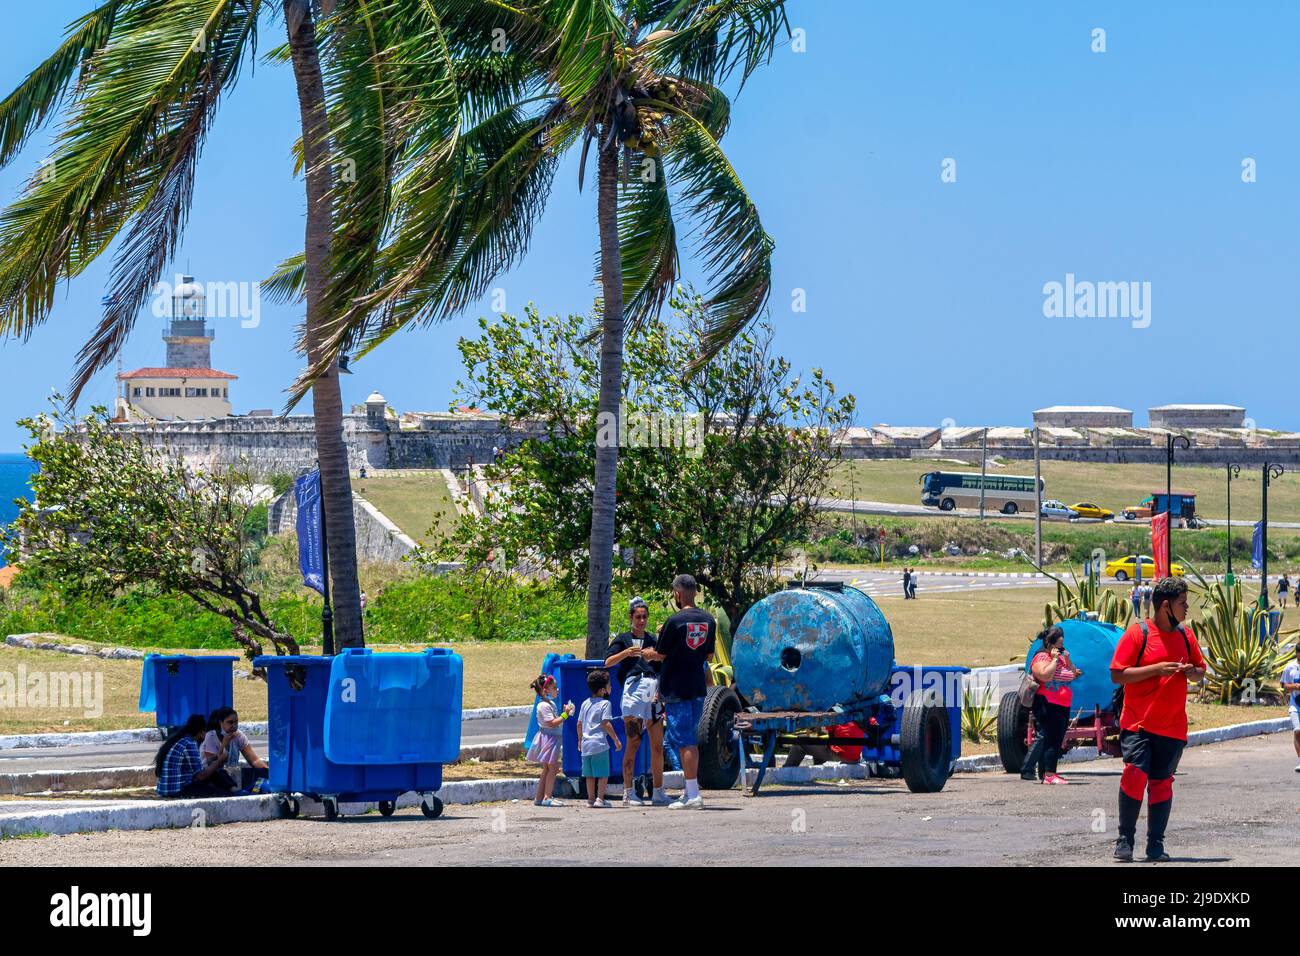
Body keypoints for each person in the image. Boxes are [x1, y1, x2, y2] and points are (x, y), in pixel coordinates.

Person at [1109, 576, 1206, 862]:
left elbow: (1201, 670)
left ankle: (1155, 845)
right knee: (1135, 775)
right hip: (1138, 724)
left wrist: (1193, 673)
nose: (1187, 609)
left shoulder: (1186, 637)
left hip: (1173, 727)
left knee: (1162, 783)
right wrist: (1156, 670)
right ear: (1166, 606)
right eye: (1182, 604)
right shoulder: (1138, 633)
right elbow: (1117, 674)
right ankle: (1125, 839)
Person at [656, 573, 716, 810]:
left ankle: (693, 794)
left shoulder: (675, 621)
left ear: (677, 593)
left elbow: (661, 654)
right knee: (690, 738)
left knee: (684, 741)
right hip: (697, 687)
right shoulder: (708, 620)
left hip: (677, 687)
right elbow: (709, 655)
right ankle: (690, 791)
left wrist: (648, 653)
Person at [604, 596, 667, 806]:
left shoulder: (652, 640)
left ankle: (658, 791)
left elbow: (663, 661)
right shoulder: (623, 639)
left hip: (652, 689)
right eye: (638, 617)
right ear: (631, 617)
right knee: (634, 741)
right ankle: (628, 791)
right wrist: (626, 653)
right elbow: (607, 662)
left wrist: (655, 655)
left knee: (657, 745)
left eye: (644, 617)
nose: (641, 621)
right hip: (633, 690)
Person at [1019, 626, 1081, 784]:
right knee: (1047, 736)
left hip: (1061, 703)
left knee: (1055, 738)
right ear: (1052, 640)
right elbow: (1045, 675)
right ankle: (1044, 772)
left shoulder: (1062, 654)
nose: (1063, 639)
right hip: (1047, 703)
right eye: (1060, 637)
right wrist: (1054, 659)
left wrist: (1068, 661)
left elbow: (1071, 672)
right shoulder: (1041, 657)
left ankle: (1046, 772)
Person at [155, 714, 232, 799]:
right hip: (177, 790)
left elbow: (195, 769)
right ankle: (234, 793)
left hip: (166, 789)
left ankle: (233, 790)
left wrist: (214, 759)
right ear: (202, 732)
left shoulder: (180, 740)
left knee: (218, 773)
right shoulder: (189, 743)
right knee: (222, 793)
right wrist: (219, 761)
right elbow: (201, 776)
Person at [525, 674, 573, 807]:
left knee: (547, 768)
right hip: (549, 739)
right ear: (546, 691)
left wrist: (563, 713)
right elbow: (551, 723)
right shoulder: (543, 706)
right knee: (553, 768)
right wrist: (565, 714)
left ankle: (539, 798)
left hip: (551, 737)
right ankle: (547, 797)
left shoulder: (549, 704)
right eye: (554, 688)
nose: (557, 690)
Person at [577, 669, 622, 807]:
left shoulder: (585, 703)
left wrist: (580, 740)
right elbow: (606, 723)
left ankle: (590, 799)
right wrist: (616, 739)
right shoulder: (605, 704)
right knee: (603, 773)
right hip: (600, 743)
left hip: (586, 744)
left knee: (589, 775)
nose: (611, 687)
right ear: (603, 690)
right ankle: (600, 799)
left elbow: (579, 724)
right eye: (609, 685)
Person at [200, 707, 268, 792]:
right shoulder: (211, 736)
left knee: (262, 779)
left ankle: (250, 792)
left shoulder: (239, 736)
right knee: (220, 773)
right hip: (212, 778)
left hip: (232, 777)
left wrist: (268, 772)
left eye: (236, 722)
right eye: (230, 722)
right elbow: (212, 765)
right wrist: (224, 744)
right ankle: (237, 792)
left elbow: (254, 761)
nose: (234, 726)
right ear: (221, 723)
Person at [782, 723, 867, 767]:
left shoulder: (837, 714)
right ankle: (818, 770)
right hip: (855, 758)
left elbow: (825, 730)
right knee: (821, 744)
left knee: (799, 742)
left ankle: (786, 770)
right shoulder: (859, 714)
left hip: (842, 756)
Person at [1282, 646, 1300, 773]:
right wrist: (1295, 686)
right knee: (1298, 730)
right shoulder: (1289, 668)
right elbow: (1285, 686)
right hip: (1295, 705)